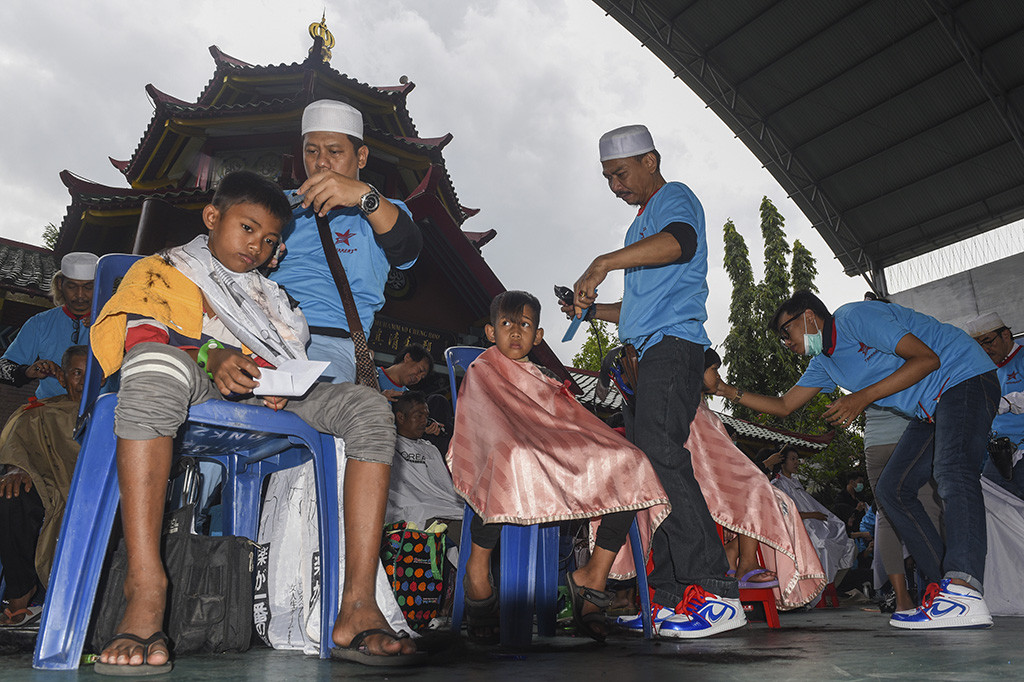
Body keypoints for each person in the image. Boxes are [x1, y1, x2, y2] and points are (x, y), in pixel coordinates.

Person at [88, 171, 418, 673]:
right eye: (247, 229)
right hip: (191, 375)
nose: (257, 247)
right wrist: (211, 355)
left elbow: (286, 356)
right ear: (212, 217)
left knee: (369, 409)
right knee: (153, 369)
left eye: (269, 241)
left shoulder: (274, 297)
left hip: (266, 394)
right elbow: (143, 340)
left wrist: (279, 383)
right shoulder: (165, 269)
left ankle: (355, 604)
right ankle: (146, 587)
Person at [708, 290, 999, 629]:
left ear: (809, 317)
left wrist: (860, 398)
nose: (785, 342)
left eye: (786, 332)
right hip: (932, 408)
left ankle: (964, 587)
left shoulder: (855, 318)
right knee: (892, 489)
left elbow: (927, 359)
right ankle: (946, 589)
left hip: (963, 376)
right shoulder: (825, 363)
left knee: (952, 471)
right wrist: (728, 391)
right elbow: (785, 405)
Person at [567, 124, 743, 637]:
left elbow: (680, 245)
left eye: (619, 174)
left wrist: (603, 262)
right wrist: (592, 306)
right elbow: (640, 306)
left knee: (660, 452)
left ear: (651, 160)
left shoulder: (674, 198)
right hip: (647, 350)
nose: (615, 186)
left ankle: (713, 588)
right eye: (607, 178)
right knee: (648, 464)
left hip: (674, 345)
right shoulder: (639, 227)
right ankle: (671, 594)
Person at [448, 290, 670, 642]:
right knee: (509, 458)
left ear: (538, 336)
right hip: (507, 451)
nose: (516, 332)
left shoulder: (541, 375)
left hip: (549, 450)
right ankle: (477, 570)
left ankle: (592, 578)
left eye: (524, 325)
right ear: (491, 332)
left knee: (631, 463)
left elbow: (564, 423)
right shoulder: (481, 369)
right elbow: (486, 427)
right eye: (506, 324)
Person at [270, 99, 422, 384]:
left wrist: (365, 196)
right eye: (311, 151)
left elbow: (407, 249)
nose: (321, 162)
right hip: (262, 329)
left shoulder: (384, 211)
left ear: (361, 157)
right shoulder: (279, 206)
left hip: (329, 342)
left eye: (334, 151)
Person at [0, 345, 87, 627]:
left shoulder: (115, 413)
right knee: (12, 496)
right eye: (77, 373)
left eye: (92, 373)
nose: (84, 380)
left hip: (94, 494)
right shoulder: (40, 412)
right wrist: (17, 467)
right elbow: (17, 444)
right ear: (61, 378)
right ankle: (19, 598)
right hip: (50, 491)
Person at [0, 252, 97, 399]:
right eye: (72, 286)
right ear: (60, 284)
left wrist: (106, 323)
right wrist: (28, 371)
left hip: (103, 411)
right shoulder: (40, 323)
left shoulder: (114, 321)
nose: (80, 295)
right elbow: (3, 367)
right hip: (51, 411)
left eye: (88, 287)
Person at [771, 447, 856, 590]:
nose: (797, 462)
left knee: (848, 543)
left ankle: (830, 586)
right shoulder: (778, 484)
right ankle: (818, 589)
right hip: (799, 530)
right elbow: (785, 514)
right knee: (823, 546)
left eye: (798, 459)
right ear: (782, 462)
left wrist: (817, 516)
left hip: (812, 525)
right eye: (793, 459)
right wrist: (812, 515)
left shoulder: (796, 483)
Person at [966, 312, 1024, 499]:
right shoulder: (987, 370)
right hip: (999, 453)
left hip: (1021, 448)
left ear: (1005, 335)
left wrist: (1007, 402)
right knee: (994, 505)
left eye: (988, 341)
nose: (985, 349)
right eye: (979, 345)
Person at [386, 391, 463, 530]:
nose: (424, 421)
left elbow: (444, 488)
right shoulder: (389, 445)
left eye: (426, 416)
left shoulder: (430, 449)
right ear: (401, 417)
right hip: (409, 510)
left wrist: (447, 509)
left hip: (439, 508)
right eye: (419, 416)